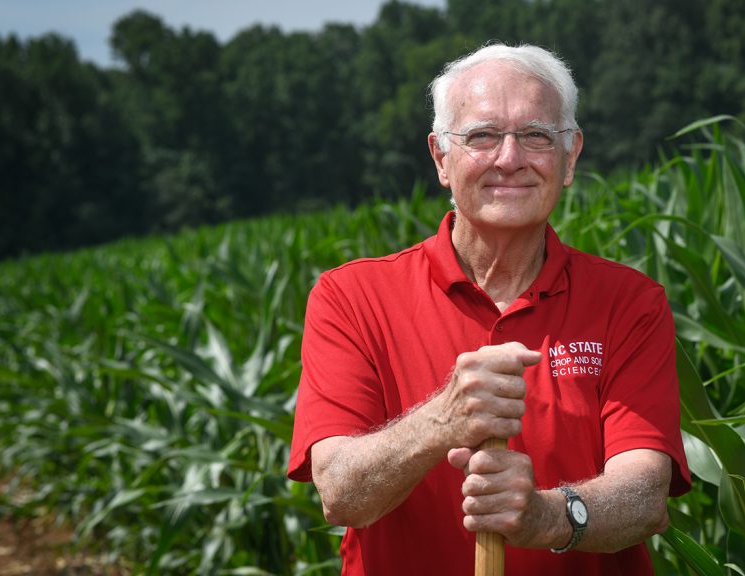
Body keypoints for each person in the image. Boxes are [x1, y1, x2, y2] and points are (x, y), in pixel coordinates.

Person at [288, 43, 691, 575]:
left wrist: (548, 516)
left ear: (570, 158)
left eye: (536, 136)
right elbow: (340, 492)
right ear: (440, 159)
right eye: (482, 136)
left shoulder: (629, 303)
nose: (510, 158)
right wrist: (441, 418)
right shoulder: (351, 297)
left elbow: (644, 498)